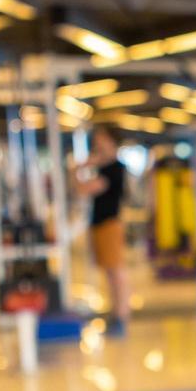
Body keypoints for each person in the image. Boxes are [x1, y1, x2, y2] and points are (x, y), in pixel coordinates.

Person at [76, 124, 129, 334]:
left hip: (110, 224)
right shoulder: (105, 167)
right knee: (110, 272)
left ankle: (121, 315)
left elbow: (84, 189)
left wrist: (78, 168)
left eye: (101, 138)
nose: (97, 143)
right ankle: (116, 312)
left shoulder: (115, 168)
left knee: (116, 272)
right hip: (101, 224)